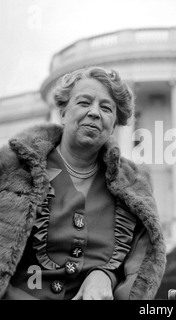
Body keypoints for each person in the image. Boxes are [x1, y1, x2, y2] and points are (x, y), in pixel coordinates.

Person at [0, 66, 166, 300]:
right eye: (84, 102)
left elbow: (137, 266)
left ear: (114, 124)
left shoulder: (134, 188)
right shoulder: (10, 169)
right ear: (63, 113)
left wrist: (105, 275)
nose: (95, 113)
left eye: (106, 108)